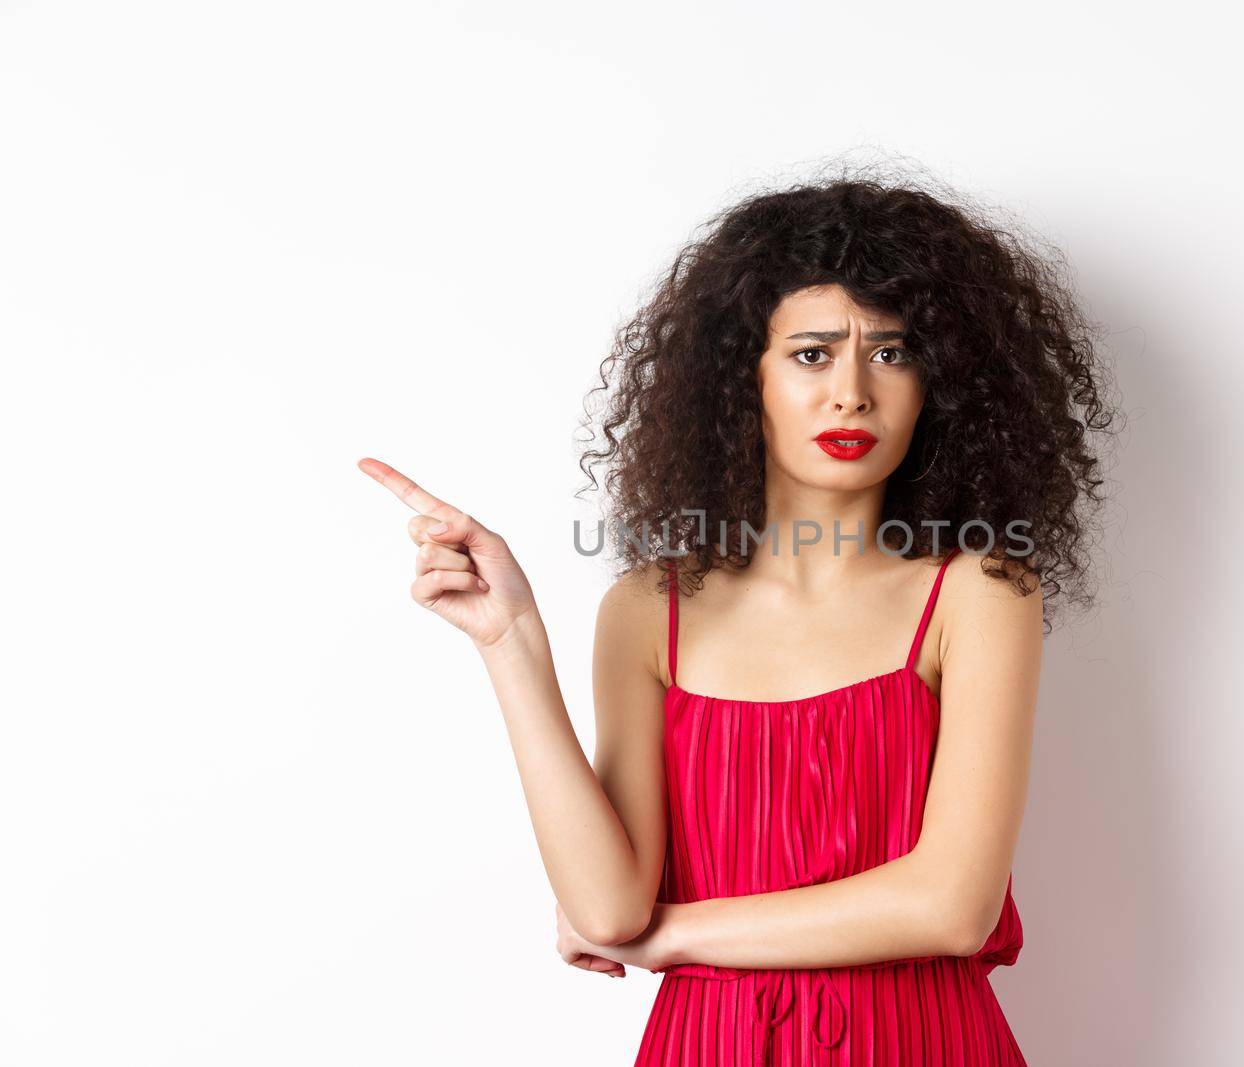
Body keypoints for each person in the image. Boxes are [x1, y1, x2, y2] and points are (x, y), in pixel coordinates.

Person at [358, 167, 1116, 1065]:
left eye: (893, 352)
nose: (852, 393)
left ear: (939, 384)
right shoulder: (647, 613)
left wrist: (674, 935)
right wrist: (511, 642)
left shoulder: (979, 592)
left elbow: (952, 906)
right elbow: (606, 910)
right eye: (811, 353)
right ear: (739, 376)